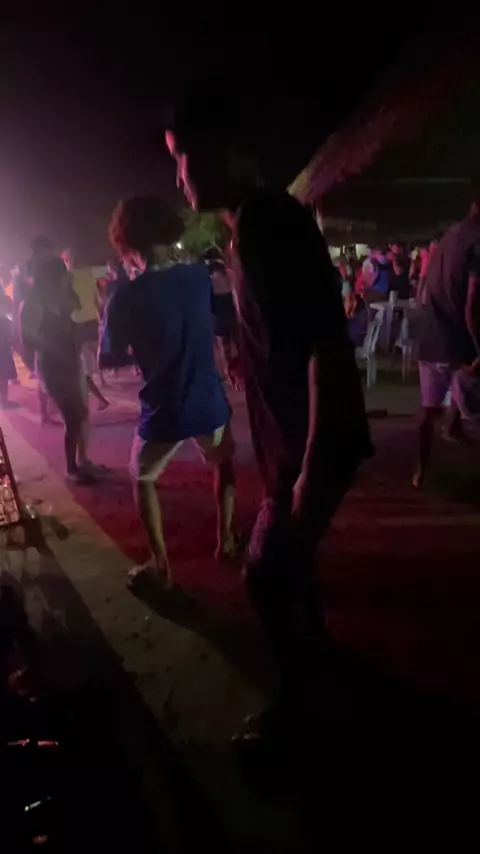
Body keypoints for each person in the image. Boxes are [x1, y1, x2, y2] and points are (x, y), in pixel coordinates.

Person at [166, 100, 372, 745]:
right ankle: (321, 663)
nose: (180, 177)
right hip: (296, 440)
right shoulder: (250, 227)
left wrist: (311, 463)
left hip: (313, 440)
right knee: (292, 564)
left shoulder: (267, 222)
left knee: (264, 572)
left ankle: (300, 709)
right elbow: (286, 331)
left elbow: (324, 344)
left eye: (184, 158)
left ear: (229, 152)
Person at [99, 196, 238, 589]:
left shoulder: (125, 295)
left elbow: (109, 357)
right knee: (223, 462)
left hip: (165, 407)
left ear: (128, 245)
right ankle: (226, 540)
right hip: (208, 400)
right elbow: (220, 321)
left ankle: (161, 568)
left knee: (142, 477)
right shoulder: (198, 276)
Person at [413, 201, 480, 489]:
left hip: (431, 336)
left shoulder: (448, 237)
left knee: (429, 410)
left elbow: (423, 291)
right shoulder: (476, 243)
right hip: (457, 342)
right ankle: (455, 425)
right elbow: (471, 307)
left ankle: (420, 470)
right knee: (472, 400)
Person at [20, 245, 101, 483]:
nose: (65, 279)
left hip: (71, 361)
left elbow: (75, 315)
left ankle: (81, 462)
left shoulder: (60, 296)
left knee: (80, 414)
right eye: (61, 276)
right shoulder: (34, 303)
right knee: (73, 416)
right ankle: (71, 468)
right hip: (53, 365)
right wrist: (57, 343)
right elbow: (28, 339)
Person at [62, 249, 109, 409]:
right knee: (96, 354)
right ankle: (102, 380)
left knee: (79, 366)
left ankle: (98, 398)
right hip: (92, 320)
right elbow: (98, 300)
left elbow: (66, 303)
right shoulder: (88, 274)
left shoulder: (67, 277)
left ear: (68, 260)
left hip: (77, 323)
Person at [0, 283, 18, 408]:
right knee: (4, 372)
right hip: (3, 341)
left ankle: (4, 401)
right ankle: (4, 401)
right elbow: (11, 317)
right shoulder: (5, 300)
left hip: (3, 339)